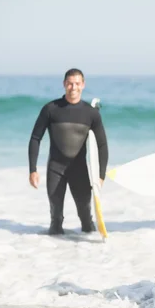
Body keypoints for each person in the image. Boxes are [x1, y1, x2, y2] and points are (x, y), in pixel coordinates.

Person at [28, 68, 109, 235]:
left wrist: (101, 175)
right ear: (64, 84)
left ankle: (91, 257)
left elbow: (102, 145)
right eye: (70, 83)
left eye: (77, 83)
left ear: (83, 85)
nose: (73, 87)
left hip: (79, 170)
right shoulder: (51, 109)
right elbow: (35, 138)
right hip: (55, 169)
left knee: (86, 220)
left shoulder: (91, 113)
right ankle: (56, 257)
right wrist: (33, 170)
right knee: (55, 221)